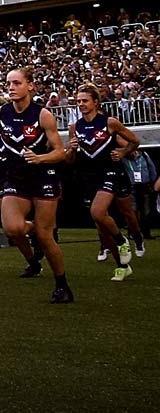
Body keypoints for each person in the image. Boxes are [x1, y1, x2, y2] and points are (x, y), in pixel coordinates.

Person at [0, 67, 72, 302]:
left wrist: (40, 158)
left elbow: (60, 152)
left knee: (45, 236)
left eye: (16, 83)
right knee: (12, 228)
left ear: (30, 85)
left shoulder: (43, 115)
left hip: (43, 176)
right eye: (8, 83)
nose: (11, 87)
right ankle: (36, 239)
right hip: (14, 176)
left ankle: (62, 284)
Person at [66, 84, 139, 281]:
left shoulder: (110, 122)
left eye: (85, 101)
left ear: (96, 102)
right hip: (87, 176)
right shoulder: (75, 127)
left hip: (110, 171)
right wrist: (71, 149)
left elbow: (135, 141)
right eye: (78, 101)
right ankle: (122, 265)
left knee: (98, 212)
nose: (81, 104)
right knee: (100, 222)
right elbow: (70, 161)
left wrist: (122, 152)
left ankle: (123, 240)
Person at [123, 149, 154, 255]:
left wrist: (152, 180)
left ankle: (146, 232)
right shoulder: (124, 159)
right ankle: (134, 232)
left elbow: (151, 168)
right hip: (132, 186)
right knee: (133, 210)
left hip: (144, 185)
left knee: (146, 210)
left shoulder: (144, 156)